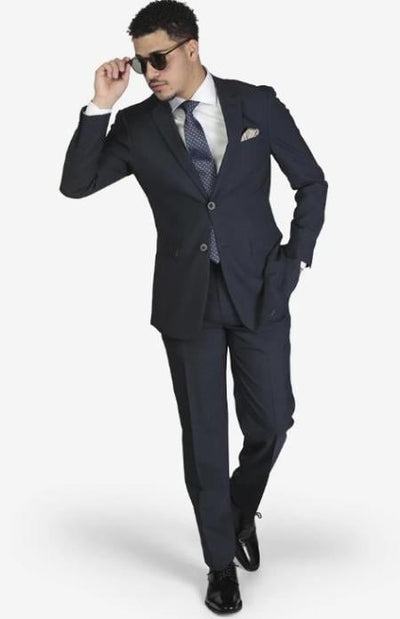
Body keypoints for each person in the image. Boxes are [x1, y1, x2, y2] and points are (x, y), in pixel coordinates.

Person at [59, 0, 328, 613]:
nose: (148, 73)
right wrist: (100, 106)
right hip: (188, 303)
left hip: (260, 289)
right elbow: (75, 184)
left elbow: (311, 182)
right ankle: (219, 564)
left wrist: (295, 259)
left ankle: (237, 510)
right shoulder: (136, 126)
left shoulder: (255, 103)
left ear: (191, 49)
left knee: (273, 421)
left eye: (157, 59)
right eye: (140, 62)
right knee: (205, 438)